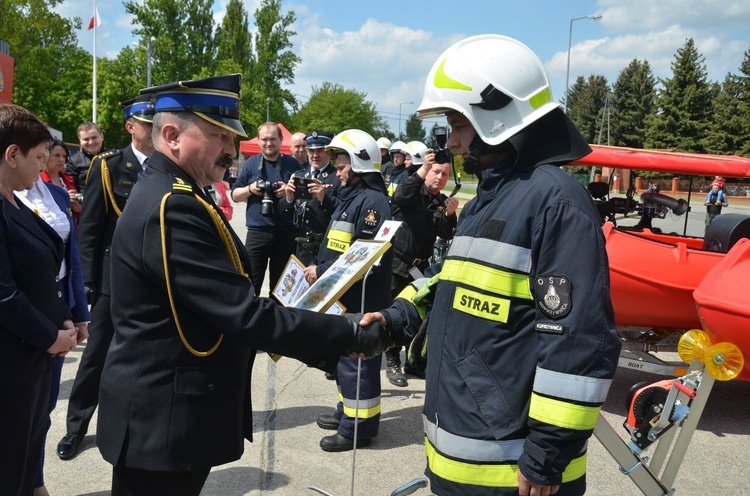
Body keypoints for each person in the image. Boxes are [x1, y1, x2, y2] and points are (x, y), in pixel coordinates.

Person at [95, 74, 391, 495]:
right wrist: (348, 333)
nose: (231, 150)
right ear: (172, 135)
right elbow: (245, 314)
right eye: (218, 136)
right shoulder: (172, 205)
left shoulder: (179, 192)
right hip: (161, 421)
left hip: (167, 415)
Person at [362, 35, 621, 495]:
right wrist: (398, 318)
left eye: (458, 121)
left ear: (497, 114)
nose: (451, 139)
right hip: (460, 458)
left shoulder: (555, 202)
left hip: (514, 475)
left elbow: (579, 344)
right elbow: (453, 280)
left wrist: (546, 458)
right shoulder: (493, 197)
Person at [57, 94, 156, 461]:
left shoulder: (167, 167)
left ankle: (135, 425)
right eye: (148, 123)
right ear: (132, 127)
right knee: (96, 357)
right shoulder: (108, 166)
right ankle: (76, 427)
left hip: (155, 282)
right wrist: (87, 286)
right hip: (114, 281)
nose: (156, 128)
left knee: (148, 358)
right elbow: (92, 229)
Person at [0, 103, 79, 495]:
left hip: (33, 357)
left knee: (27, 453)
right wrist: (51, 336)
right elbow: (4, 295)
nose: (45, 164)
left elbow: (45, 274)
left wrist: (64, 317)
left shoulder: (18, 200)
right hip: (10, 362)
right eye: (38, 156)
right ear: (12, 155)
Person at [303, 129, 393, 452]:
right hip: (342, 296)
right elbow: (336, 244)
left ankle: (358, 429)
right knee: (344, 361)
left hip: (360, 300)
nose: (337, 171)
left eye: (342, 166)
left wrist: (323, 271)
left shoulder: (373, 202)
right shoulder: (351, 197)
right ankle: (347, 412)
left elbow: (361, 256)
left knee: (359, 364)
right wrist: (318, 265)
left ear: (359, 164)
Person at [16, 176, 91, 496]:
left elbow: (70, 258)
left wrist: (78, 315)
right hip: (20, 318)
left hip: (57, 315)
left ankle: (34, 480)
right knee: (15, 414)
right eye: (40, 153)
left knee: (41, 410)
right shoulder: (9, 197)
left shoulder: (58, 194)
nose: (47, 161)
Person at [384, 151, 458, 387]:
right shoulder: (412, 192)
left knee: (418, 316)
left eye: (445, 174)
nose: (440, 177)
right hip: (398, 264)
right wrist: (422, 169)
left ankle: (413, 361)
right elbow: (401, 196)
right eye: (436, 171)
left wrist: (450, 215)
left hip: (421, 269)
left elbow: (445, 235)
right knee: (396, 314)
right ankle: (392, 360)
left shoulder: (440, 201)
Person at [231, 122, 302, 296]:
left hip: (286, 233)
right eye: (264, 139)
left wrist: (287, 191)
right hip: (257, 233)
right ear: (259, 141)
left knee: (282, 290)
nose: (268, 143)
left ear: (280, 140)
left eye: (272, 139)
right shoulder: (251, 164)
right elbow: (234, 195)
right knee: (250, 286)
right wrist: (251, 189)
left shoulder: (293, 165)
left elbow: (305, 199)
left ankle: (278, 322)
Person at [280, 130, 341, 265]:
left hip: (326, 246)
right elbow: (285, 213)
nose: (315, 155)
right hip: (302, 248)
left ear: (328, 152)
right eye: (311, 151)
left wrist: (324, 198)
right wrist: (289, 198)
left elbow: (344, 210)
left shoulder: (338, 176)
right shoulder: (299, 175)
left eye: (320, 150)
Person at [42, 139, 82, 222]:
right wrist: (64, 198)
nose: (61, 160)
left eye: (64, 156)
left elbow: (76, 213)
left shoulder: (68, 179)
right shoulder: (37, 180)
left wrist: (77, 208)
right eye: (57, 155)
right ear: (46, 156)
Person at [65, 121, 107, 193]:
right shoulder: (74, 161)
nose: (91, 142)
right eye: (86, 139)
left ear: (102, 136)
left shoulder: (114, 156)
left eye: (94, 137)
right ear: (80, 140)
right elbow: (70, 188)